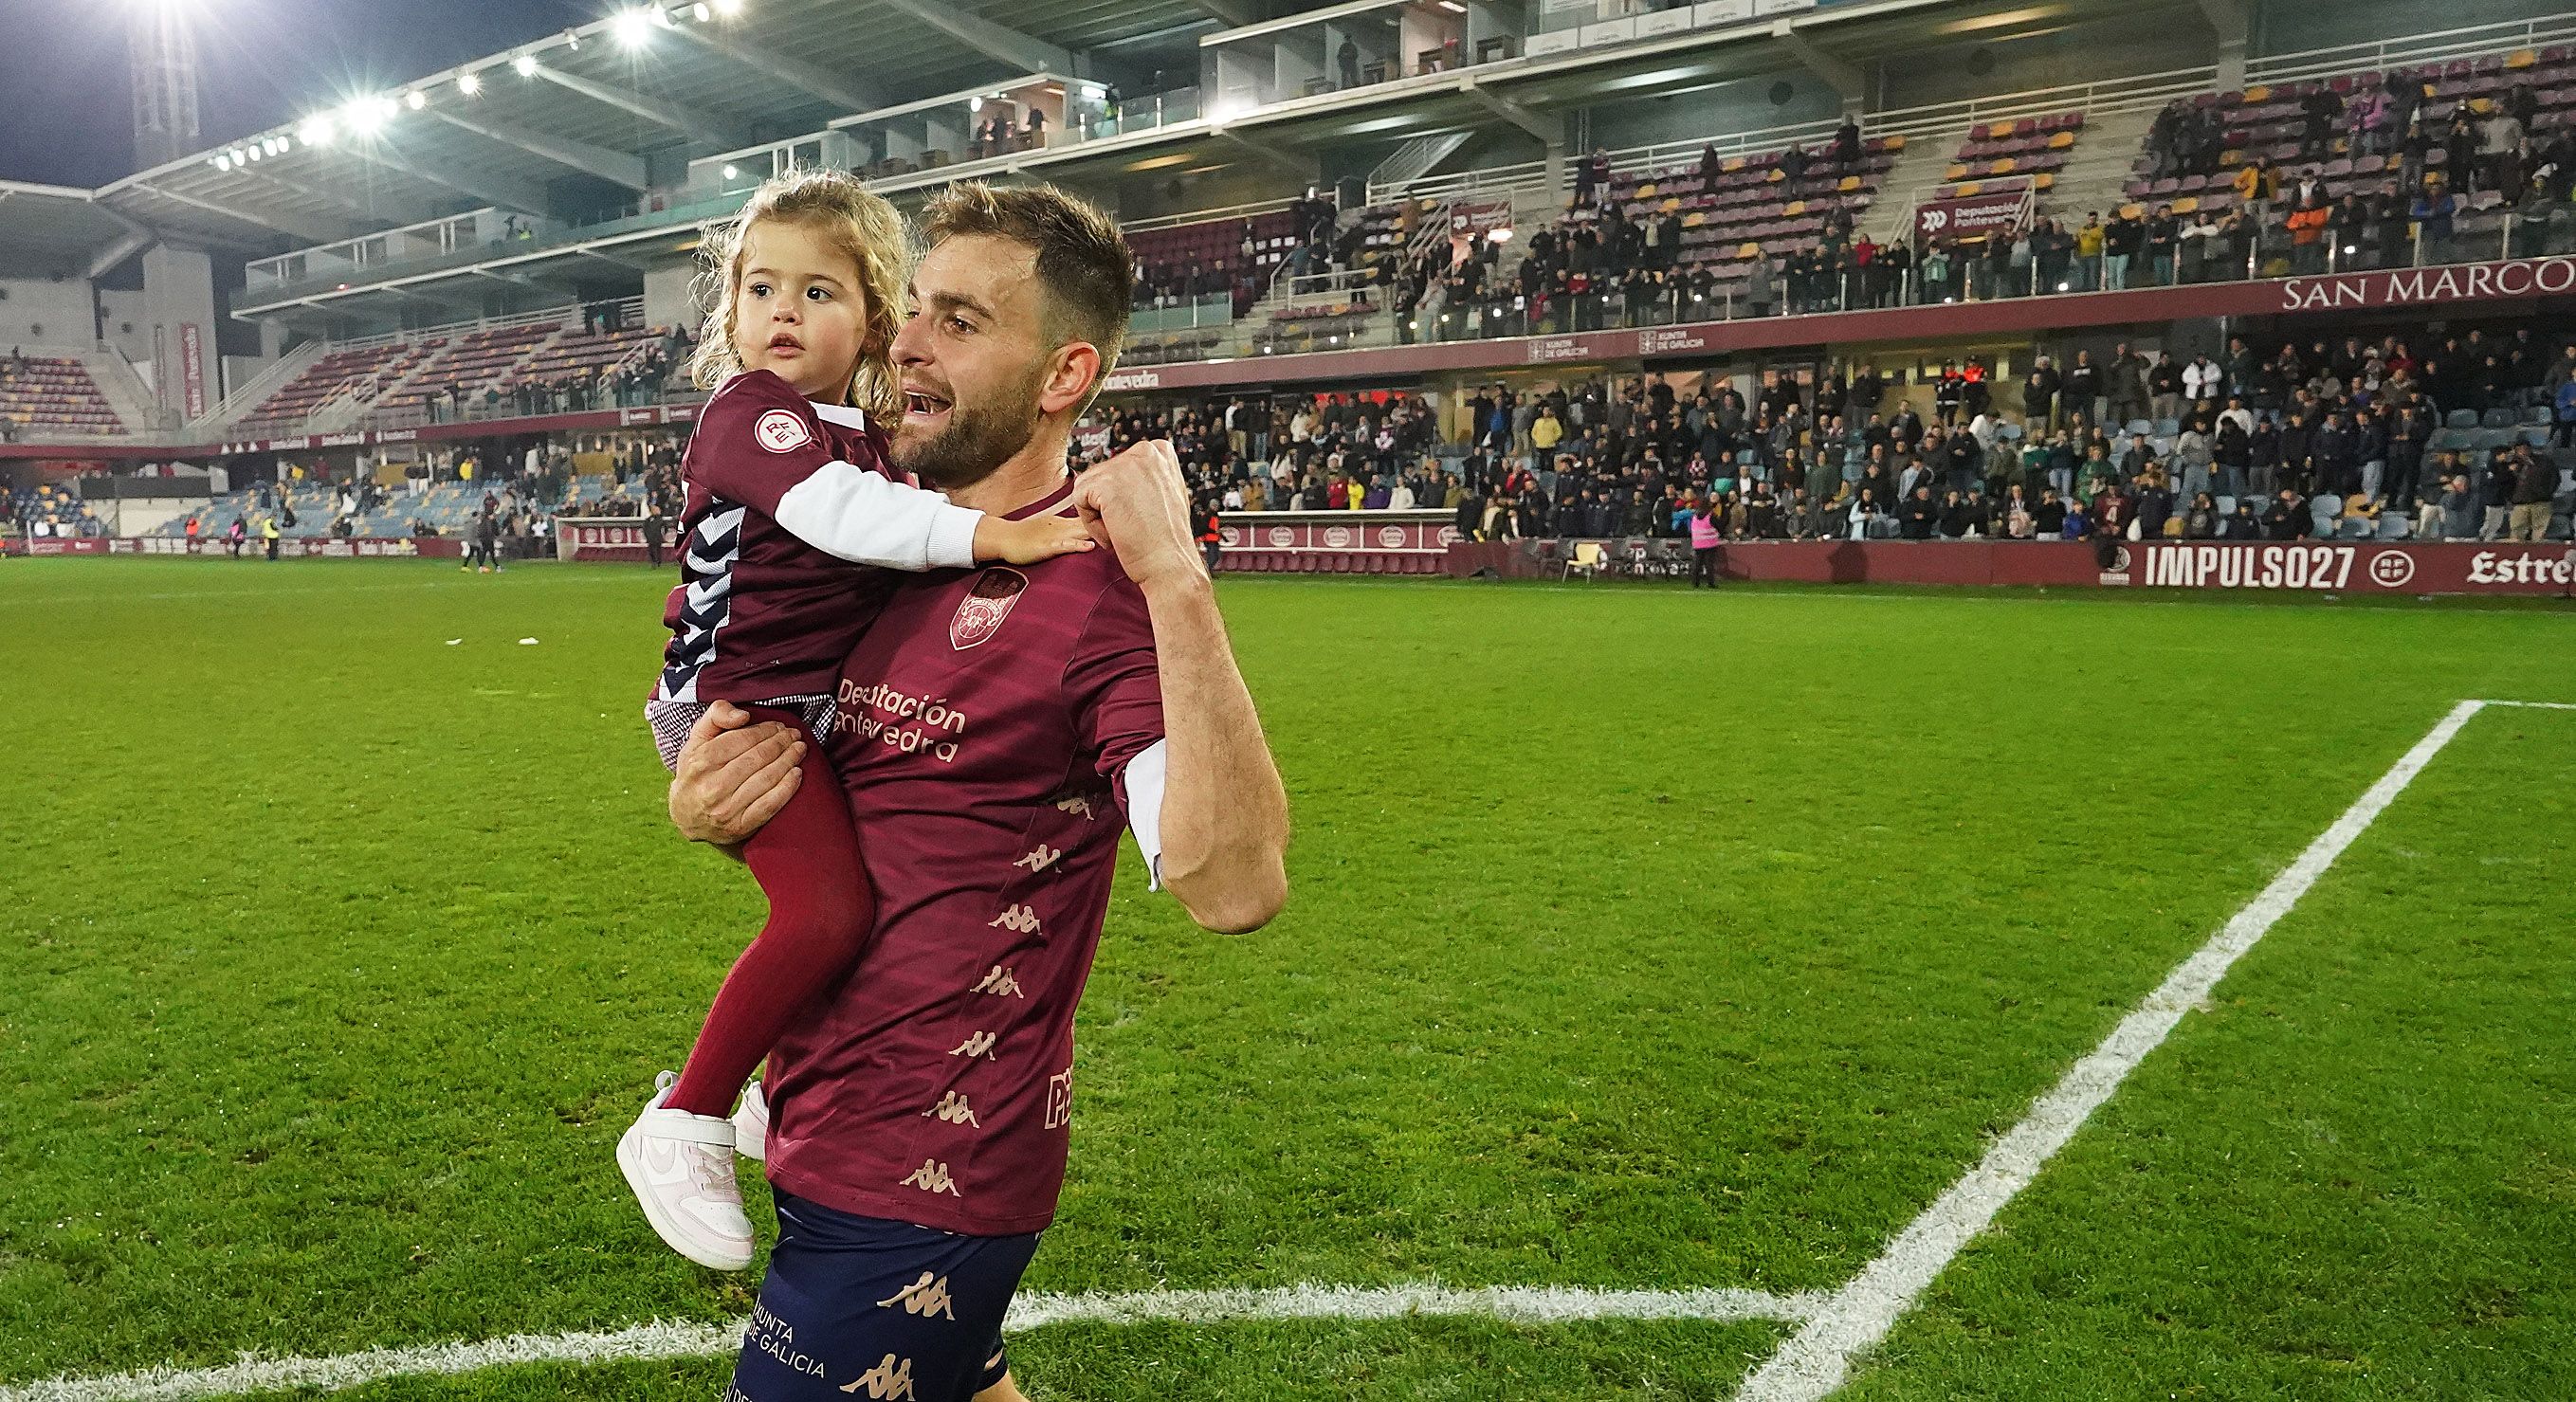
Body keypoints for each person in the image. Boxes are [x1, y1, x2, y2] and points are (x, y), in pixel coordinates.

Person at [667, 179, 1290, 1402]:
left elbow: (1233, 885)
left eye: (957, 321)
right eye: (912, 311)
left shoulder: (1096, 597)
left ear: (1061, 376)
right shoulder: (868, 555)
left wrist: (1176, 580)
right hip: (817, 1122)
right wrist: (711, 797)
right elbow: (829, 788)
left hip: (922, 1170)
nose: (905, 343)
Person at [622, 173, 1095, 1276]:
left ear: (875, 320)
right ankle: (682, 1117)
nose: (782, 312)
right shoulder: (753, 416)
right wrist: (991, 539)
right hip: (730, 714)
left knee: (871, 900)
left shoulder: (867, 435)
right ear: (729, 312)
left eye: (818, 292)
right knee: (827, 914)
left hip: (807, 710)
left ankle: (762, 1100)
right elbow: (845, 519)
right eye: (760, 288)